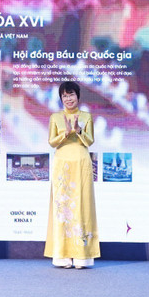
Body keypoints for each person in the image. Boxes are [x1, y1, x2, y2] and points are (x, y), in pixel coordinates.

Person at [44, 81, 99, 269]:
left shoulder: (86, 116)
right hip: (62, 164)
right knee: (63, 208)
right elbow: (52, 142)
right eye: (65, 96)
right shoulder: (55, 117)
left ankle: (82, 256)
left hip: (82, 163)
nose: (68, 99)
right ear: (61, 99)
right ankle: (62, 255)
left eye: (71, 95)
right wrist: (66, 133)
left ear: (78, 96)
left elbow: (90, 140)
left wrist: (79, 130)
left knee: (82, 206)